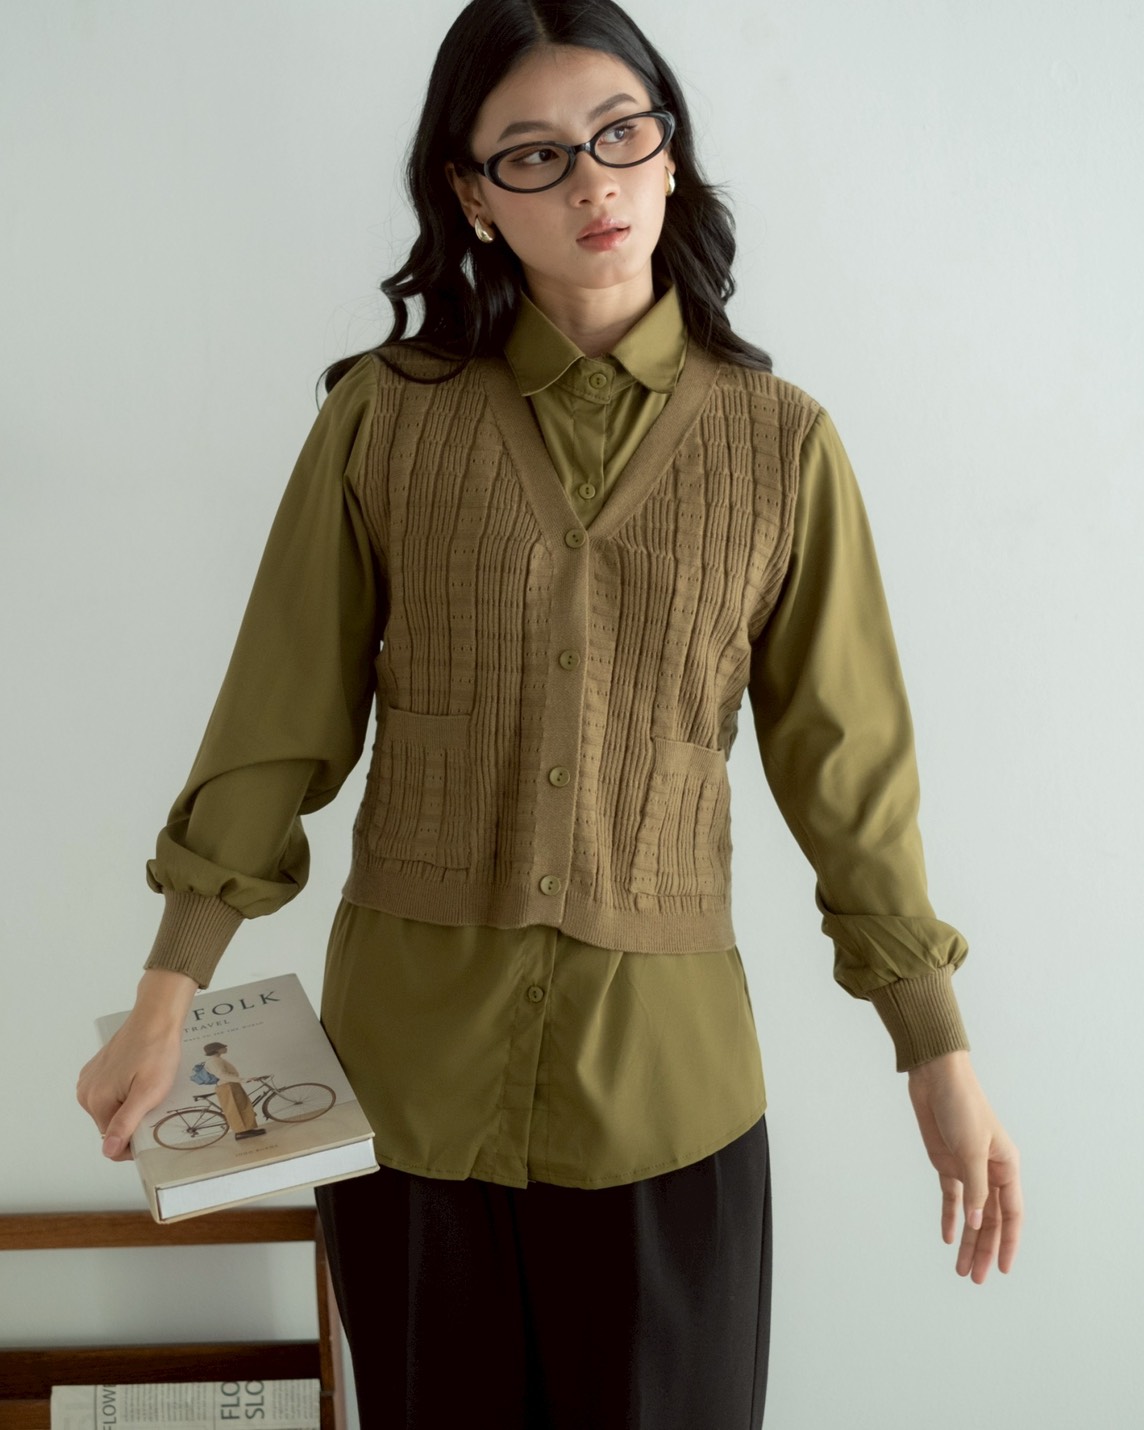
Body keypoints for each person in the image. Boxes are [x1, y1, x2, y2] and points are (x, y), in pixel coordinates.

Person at [76, 1, 1023, 1425]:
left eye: (620, 134)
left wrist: (935, 1051)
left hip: (668, 1102)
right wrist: (168, 995)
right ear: (470, 193)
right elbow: (276, 718)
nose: (592, 182)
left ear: (670, 153)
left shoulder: (780, 447)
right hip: (410, 1091)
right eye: (534, 154)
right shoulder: (386, 419)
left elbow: (851, 780)